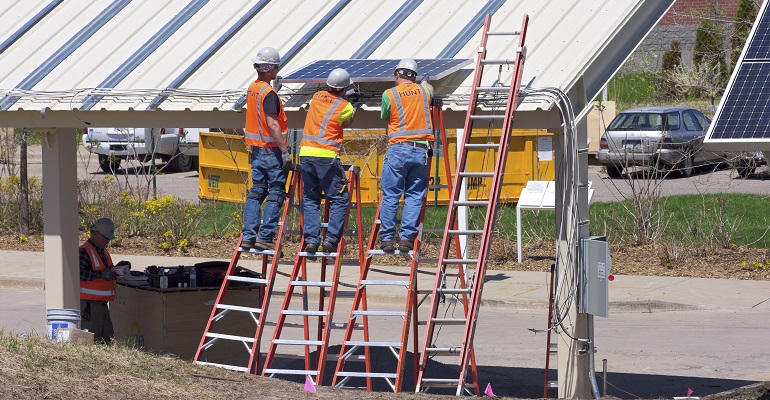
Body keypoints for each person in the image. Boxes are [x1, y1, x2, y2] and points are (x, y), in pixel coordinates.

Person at [299, 68, 359, 257]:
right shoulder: (345, 106)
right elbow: (344, 122)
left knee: (310, 198)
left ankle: (311, 241)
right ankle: (331, 239)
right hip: (327, 157)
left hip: (305, 153)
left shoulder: (316, 96)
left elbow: (323, 108)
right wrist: (352, 106)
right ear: (344, 89)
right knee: (340, 198)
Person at [379, 58, 434, 253]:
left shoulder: (389, 94)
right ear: (415, 76)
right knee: (414, 195)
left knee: (391, 194)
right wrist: (425, 84)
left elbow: (384, 115)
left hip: (398, 149)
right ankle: (407, 239)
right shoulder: (425, 90)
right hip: (420, 150)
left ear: (397, 75)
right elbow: (429, 89)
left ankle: (386, 238)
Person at [241, 46, 291, 251]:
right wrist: (285, 150)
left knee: (257, 191)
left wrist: (274, 92)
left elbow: (260, 111)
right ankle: (265, 236)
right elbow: (271, 123)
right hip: (271, 150)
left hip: (256, 150)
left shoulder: (253, 88)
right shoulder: (268, 93)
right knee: (276, 191)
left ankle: (248, 236)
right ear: (271, 69)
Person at [79, 217, 129, 343]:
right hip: (90, 306)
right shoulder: (84, 251)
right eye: (105, 238)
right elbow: (79, 273)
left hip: (102, 306)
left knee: (108, 341)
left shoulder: (102, 251)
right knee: (91, 342)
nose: (107, 241)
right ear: (95, 234)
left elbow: (105, 270)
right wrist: (101, 274)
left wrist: (117, 269)